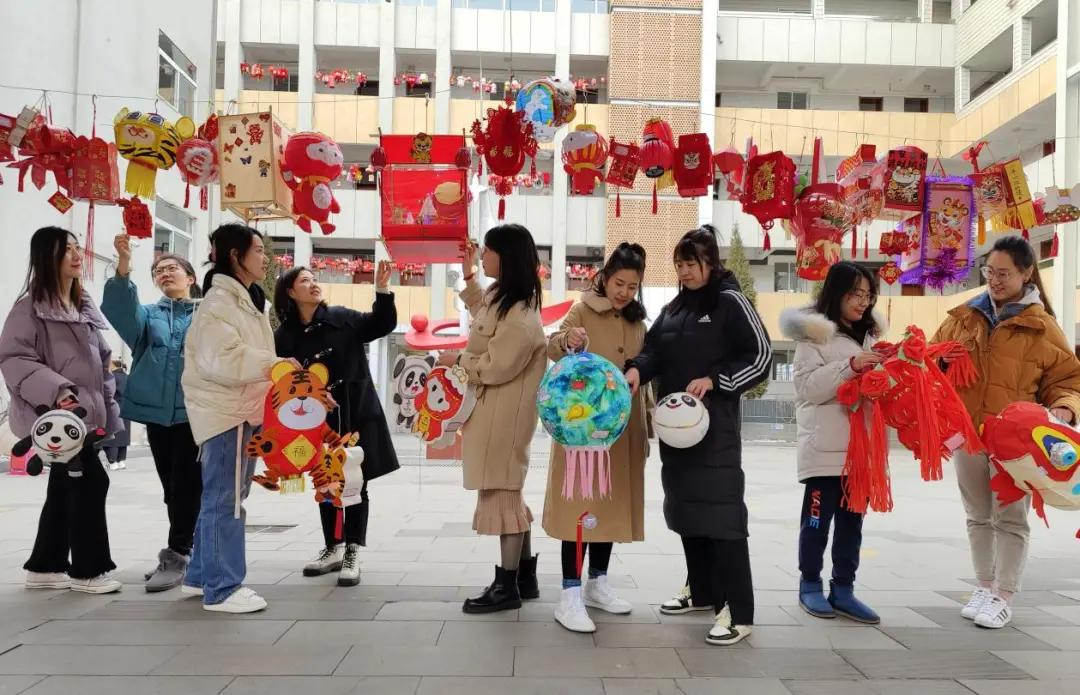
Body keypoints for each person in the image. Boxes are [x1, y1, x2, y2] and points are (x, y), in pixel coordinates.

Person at [625, 224, 771, 646]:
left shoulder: (729, 303)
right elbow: (655, 350)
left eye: (691, 264)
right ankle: (702, 592)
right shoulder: (674, 308)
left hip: (716, 431)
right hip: (677, 433)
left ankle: (738, 610)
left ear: (710, 263)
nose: (684, 271)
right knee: (688, 512)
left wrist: (716, 380)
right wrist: (637, 369)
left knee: (723, 518)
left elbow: (759, 356)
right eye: (679, 264)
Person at [932, 235, 1080, 629]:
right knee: (977, 516)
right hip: (967, 434)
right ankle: (983, 585)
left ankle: (1004, 594)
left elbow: (1067, 378)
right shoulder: (962, 317)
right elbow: (929, 363)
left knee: (1011, 518)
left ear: (1026, 273)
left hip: (1016, 443)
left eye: (1003, 274)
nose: (994, 281)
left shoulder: (1041, 325)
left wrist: (1065, 407)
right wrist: (940, 363)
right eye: (989, 272)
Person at [0, 226, 123, 594]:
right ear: (45, 258)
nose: (75, 254)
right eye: (64, 249)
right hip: (59, 417)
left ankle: (44, 567)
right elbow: (13, 357)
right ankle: (88, 571)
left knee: (63, 489)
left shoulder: (81, 306)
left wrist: (108, 412)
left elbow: (100, 363)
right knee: (89, 484)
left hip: (84, 417)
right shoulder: (30, 308)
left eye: (75, 247)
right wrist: (57, 390)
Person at [437, 224, 546, 614]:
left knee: (502, 493)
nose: (482, 256)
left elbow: (498, 366)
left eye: (486, 251)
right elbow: (479, 309)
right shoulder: (505, 298)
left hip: (504, 415)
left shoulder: (520, 313)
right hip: (492, 412)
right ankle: (524, 578)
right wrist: (468, 275)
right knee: (507, 493)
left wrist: (458, 361)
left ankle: (507, 587)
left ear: (507, 255)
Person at [543, 242, 650, 633]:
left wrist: (648, 424)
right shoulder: (582, 308)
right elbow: (555, 345)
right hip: (582, 433)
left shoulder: (638, 321)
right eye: (619, 282)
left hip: (622, 434)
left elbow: (644, 371)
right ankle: (569, 595)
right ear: (604, 277)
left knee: (610, 506)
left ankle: (598, 583)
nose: (624, 292)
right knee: (579, 509)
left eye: (632, 286)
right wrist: (569, 341)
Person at [273, 262, 400, 587]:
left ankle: (353, 550)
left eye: (315, 279)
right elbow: (280, 376)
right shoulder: (284, 335)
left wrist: (382, 291)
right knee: (325, 482)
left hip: (354, 415)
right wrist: (311, 395)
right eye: (305, 280)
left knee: (356, 482)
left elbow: (381, 324)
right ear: (290, 291)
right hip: (313, 420)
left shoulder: (342, 317)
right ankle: (333, 546)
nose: (314, 284)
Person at [180, 223, 285, 613]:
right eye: (257, 250)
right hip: (226, 413)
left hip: (241, 411)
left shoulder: (248, 300)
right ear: (235, 256)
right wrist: (273, 365)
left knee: (228, 495)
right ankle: (222, 587)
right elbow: (222, 359)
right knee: (225, 499)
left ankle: (199, 575)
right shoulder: (219, 304)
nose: (264, 258)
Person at [780, 261, 886, 624]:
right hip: (825, 451)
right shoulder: (815, 335)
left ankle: (844, 589)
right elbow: (808, 388)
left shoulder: (870, 336)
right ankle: (810, 584)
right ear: (836, 293)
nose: (862, 302)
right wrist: (851, 366)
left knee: (852, 526)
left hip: (860, 453)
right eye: (855, 294)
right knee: (816, 523)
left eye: (868, 295)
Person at [102, 238, 203, 592]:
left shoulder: (207, 314)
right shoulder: (148, 315)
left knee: (186, 486)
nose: (164, 274)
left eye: (172, 268)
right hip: (160, 418)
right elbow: (119, 308)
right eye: (158, 272)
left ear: (190, 276)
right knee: (171, 487)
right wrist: (124, 264)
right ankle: (189, 550)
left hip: (197, 415)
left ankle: (178, 553)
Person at [104, 361, 131, 471]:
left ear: (113, 365)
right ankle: (122, 461)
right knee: (124, 436)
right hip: (126, 410)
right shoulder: (127, 377)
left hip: (114, 409)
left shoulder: (112, 377)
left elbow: (107, 392)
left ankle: (112, 461)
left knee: (113, 436)